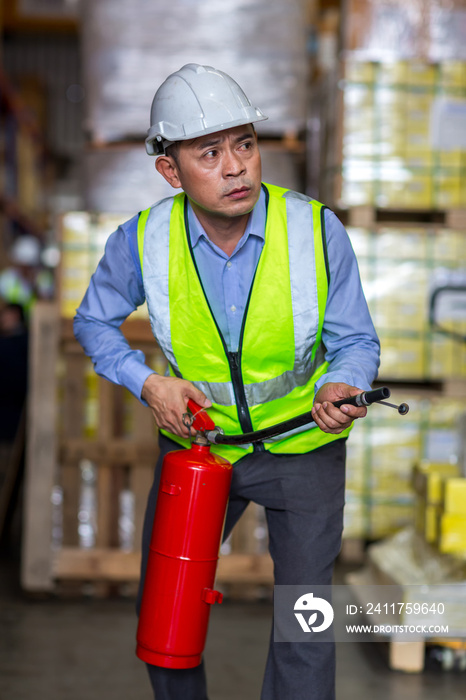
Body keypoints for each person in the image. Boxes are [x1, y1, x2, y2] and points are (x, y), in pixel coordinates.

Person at [74, 63, 380, 700]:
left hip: (302, 445)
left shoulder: (317, 232)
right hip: (201, 445)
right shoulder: (143, 242)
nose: (235, 166)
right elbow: (93, 322)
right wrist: (148, 384)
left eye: (244, 143)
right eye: (208, 152)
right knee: (168, 616)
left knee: (305, 626)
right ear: (170, 170)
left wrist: (340, 384)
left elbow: (355, 340)